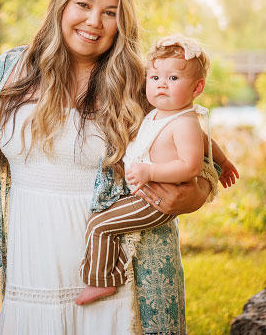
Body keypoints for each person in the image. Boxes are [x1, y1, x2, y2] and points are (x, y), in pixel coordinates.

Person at [0, 0, 214, 334]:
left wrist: (195, 192)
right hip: (30, 267)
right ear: (61, 5)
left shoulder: (141, 82)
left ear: (122, 22)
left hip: (118, 276)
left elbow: (200, 156)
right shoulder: (10, 70)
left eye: (109, 12)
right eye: (83, 5)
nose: (94, 21)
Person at [76, 35, 239, 306]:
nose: (162, 84)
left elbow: (190, 167)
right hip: (144, 193)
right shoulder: (161, 113)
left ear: (197, 88)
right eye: (154, 78)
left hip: (155, 200)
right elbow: (207, 140)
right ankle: (109, 268)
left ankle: (102, 280)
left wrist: (150, 172)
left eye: (173, 78)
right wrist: (226, 162)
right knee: (104, 220)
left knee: (100, 225)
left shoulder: (184, 121)